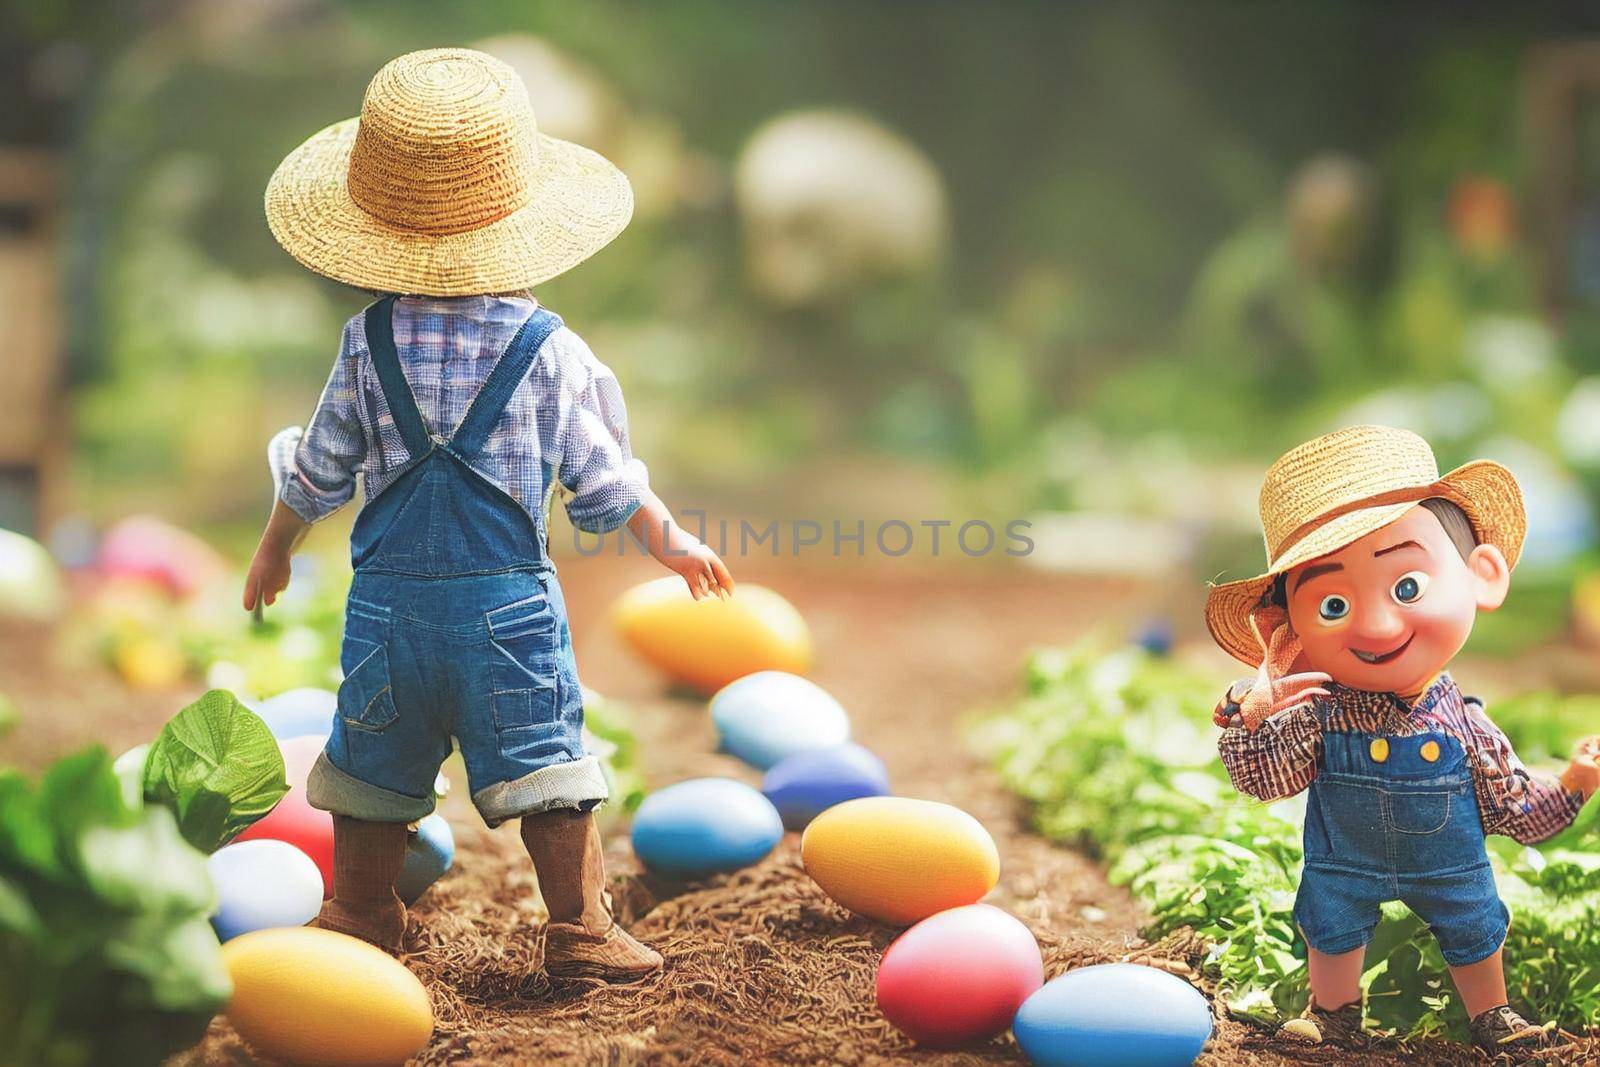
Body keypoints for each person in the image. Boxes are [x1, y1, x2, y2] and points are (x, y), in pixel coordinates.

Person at [243, 48, 733, 982]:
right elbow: (604, 479)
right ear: (520, 220)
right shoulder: (548, 351)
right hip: (506, 616)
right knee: (550, 771)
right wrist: (674, 543)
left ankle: (358, 911)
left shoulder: (366, 340)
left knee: (371, 768)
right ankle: (580, 929)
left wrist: (273, 552)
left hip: (388, 613)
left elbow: (318, 468)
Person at [1205, 425, 1598, 1060]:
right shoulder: (1316, 715)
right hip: (1343, 862)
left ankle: (1492, 1015)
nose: (1378, 623)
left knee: (1474, 921)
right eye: (1332, 604)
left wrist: (1575, 782)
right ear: (1287, 633)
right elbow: (1265, 780)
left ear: (1482, 576)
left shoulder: (1468, 725)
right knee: (1331, 920)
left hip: (1450, 867)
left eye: (1406, 587)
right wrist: (1251, 721)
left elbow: (1513, 804)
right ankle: (1331, 1015)